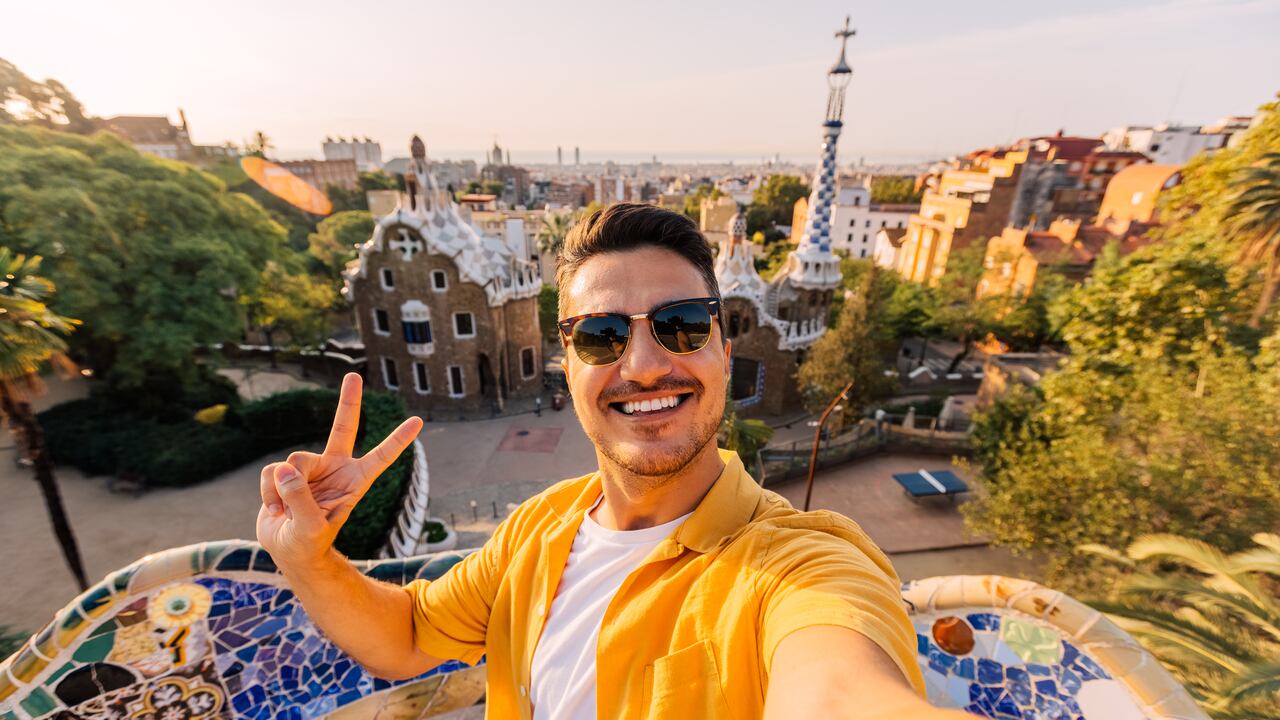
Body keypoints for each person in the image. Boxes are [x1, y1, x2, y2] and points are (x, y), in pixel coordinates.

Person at [257, 204, 967, 719]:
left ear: (725, 351)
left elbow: (839, 686)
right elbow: (410, 634)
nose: (645, 364)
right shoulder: (537, 529)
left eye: (682, 326)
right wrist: (308, 558)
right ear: (567, 367)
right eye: (600, 336)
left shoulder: (803, 565)